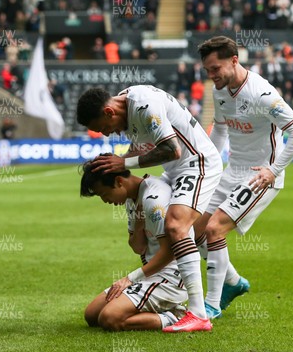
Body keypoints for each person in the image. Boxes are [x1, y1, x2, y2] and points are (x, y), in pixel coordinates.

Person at [76, 85, 222, 332]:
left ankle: (197, 313)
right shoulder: (137, 196)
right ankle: (216, 276)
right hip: (174, 171)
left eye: (103, 128)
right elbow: (138, 245)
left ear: (110, 112)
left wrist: (123, 161)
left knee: (177, 225)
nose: (108, 134)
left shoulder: (144, 105)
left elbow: (171, 149)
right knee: (93, 316)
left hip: (197, 163)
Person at [194, 36, 293, 319]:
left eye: (215, 69)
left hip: (260, 175)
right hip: (232, 170)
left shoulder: (262, 94)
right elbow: (220, 130)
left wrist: (273, 169)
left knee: (215, 229)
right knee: (193, 232)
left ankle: (211, 305)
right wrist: (209, 165)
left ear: (234, 60)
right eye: (207, 70)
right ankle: (232, 282)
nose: (211, 76)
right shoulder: (219, 90)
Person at [81, 161, 188, 331]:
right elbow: (138, 247)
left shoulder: (154, 201)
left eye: (104, 194)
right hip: (151, 273)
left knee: (109, 319)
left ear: (119, 182)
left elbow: (170, 253)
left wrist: (130, 279)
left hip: (171, 277)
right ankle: (159, 308)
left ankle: (175, 316)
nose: (105, 200)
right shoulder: (131, 198)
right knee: (92, 315)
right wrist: (139, 223)